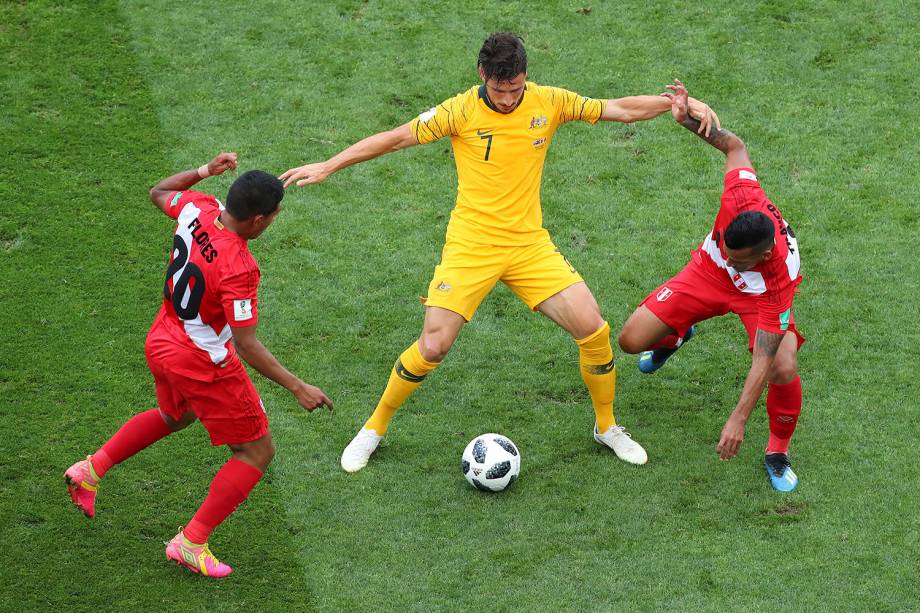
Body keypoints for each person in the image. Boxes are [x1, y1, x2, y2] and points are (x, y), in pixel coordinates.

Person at [282, 33, 719, 473]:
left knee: (594, 329)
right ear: (482, 77)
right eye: (499, 90)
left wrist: (677, 105)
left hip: (529, 245)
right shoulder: (458, 111)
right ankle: (374, 429)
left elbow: (618, 109)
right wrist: (330, 164)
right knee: (433, 346)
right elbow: (394, 139)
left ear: (526, 77)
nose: (509, 99)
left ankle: (606, 427)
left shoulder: (549, 102)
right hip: (472, 246)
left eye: (515, 89)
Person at [64, 153, 333, 577]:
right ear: (261, 219)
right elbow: (247, 344)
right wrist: (297, 386)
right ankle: (191, 541)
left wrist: (204, 171)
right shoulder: (240, 267)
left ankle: (90, 470)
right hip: (201, 360)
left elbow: (160, 191)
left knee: (177, 414)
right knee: (257, 451)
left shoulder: (199, 208)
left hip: (163, 337)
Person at [617, 80, 804, 492]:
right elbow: (735, 147)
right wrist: (686, 119)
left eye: (738, 256)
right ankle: (678, 334)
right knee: (631, 340)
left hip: (755, 298)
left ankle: (777, 452)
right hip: (708, 273)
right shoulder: (740, 194)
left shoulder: (778, 278)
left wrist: (737, 418)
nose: (729, 251)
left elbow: (763, 355)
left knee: (782, 365)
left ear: (760, 255)